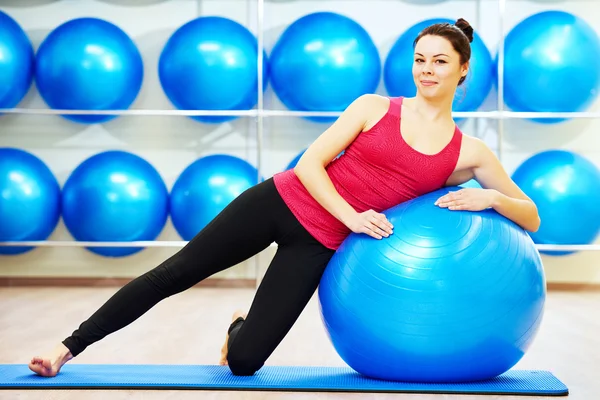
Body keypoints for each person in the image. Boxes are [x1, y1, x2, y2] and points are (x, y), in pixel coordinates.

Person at [28, 18, 540, 377]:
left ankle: (238, 329)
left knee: (245, 363)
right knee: (176, 273)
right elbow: (311, 164)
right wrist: (352, 216)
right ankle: (65, 348)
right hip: (280, 202)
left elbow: (532, 216)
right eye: (420, 59)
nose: (427, 70)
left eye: (440, 62)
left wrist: (491, 201)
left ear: (463, 69)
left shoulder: (467, 153)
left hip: (317, 247)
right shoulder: (373, 108)